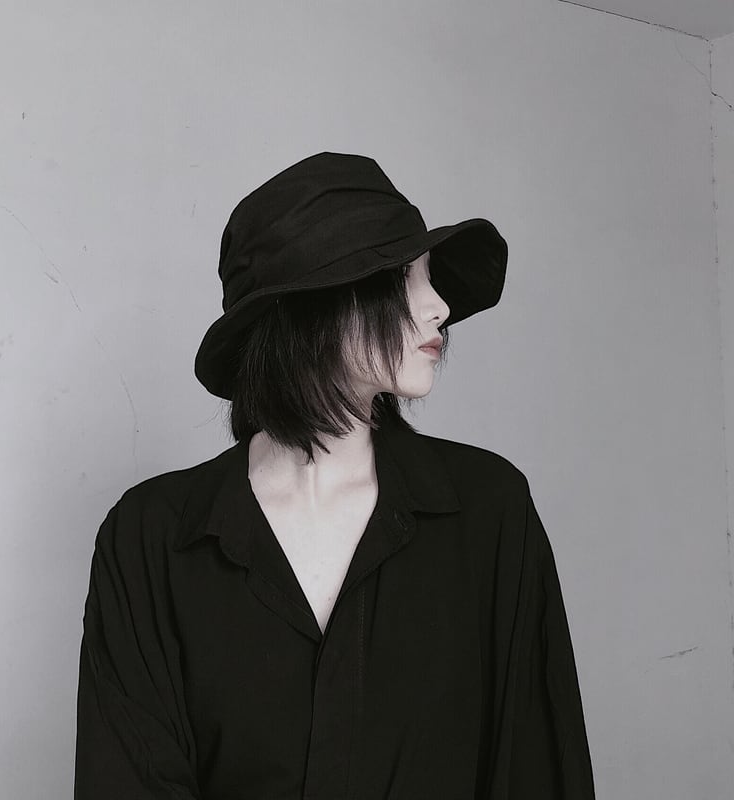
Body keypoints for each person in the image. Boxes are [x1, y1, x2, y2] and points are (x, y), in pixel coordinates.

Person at [73, 152, 596, 799]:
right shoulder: (150, 538)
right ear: (311, 305)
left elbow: (534, 769)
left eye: (430, 277)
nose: (438, 306)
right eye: (404, 276)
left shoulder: (488, 509)